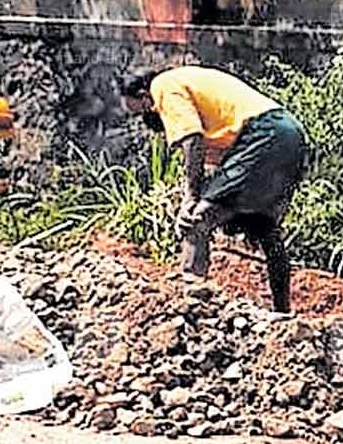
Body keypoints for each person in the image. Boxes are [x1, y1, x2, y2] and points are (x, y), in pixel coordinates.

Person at [121, 66, 307, 313]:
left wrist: (190, 198)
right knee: (264, 227)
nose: (146, 118)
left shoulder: (163, 86)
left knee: (195, 219)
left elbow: (192, 139)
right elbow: (224, 163)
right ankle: (283, 313)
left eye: (142, 111)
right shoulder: (190, 83)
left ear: (144, 95)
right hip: (291, 136)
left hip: (264, 134)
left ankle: (190, 303)